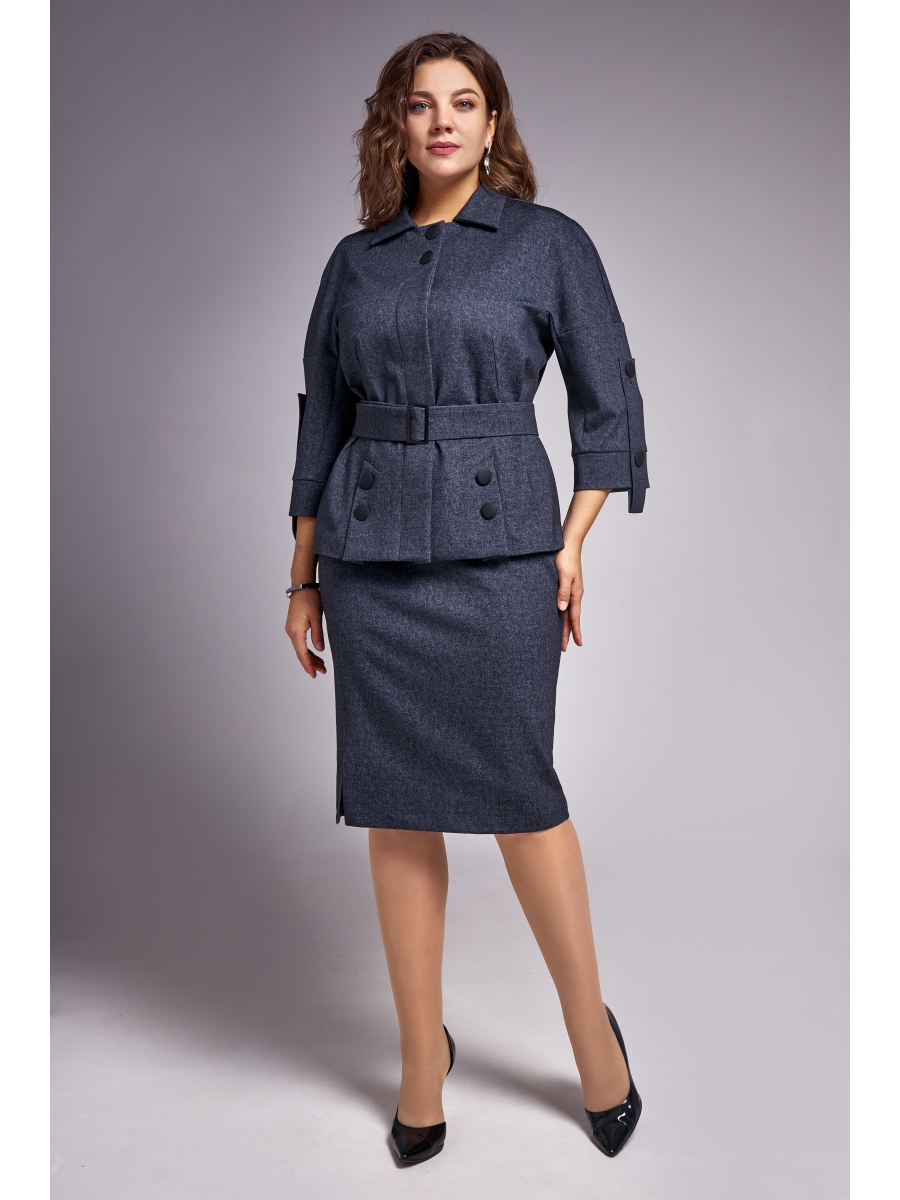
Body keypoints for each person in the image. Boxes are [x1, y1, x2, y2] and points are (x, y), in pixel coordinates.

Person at [284, 31, 648, 1165]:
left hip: (501, 558)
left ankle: (591, 1038)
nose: (441, 120)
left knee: (521, 798)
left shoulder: (548, 244)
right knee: (397, 805)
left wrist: (573, 545)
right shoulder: (357, 262)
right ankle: (419, 1058)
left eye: (464, 102)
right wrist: (301, 573)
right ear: (394, 127)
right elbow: (322, 417)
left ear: (494, 126)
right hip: (371, 558)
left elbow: (608, 399)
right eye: (419, 103)